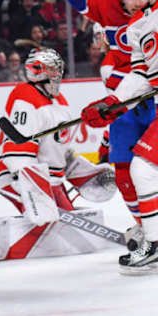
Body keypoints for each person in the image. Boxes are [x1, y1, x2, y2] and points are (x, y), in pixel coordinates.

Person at [0, 48, 116, 261]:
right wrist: (32, 188)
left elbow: (59, 147)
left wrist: (83, 172)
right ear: (38, 71)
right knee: (47, 219)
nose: (57, 73)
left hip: (50, 179)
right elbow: (18, 151)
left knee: (66, 221)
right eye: (52, 69)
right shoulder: (25, 97)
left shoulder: (58, 99)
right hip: (19, 177)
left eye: (57, 68)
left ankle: (8, 232)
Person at [67, 0, 157, 267]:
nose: (127, 3)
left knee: (144, 169)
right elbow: (141, 76)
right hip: (139, 108)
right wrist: (111, 105)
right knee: (138, 169)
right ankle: (151, 238)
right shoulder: (137, 25)